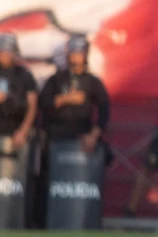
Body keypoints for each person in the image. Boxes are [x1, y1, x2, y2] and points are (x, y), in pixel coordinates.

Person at [35, 35, 110, 224]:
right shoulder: (56, 80)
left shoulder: (92, 82)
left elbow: (104, 109)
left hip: (81, 140)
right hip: (56, 139)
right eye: (73, 53)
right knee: (48, 183)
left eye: (79, 53)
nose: (75, 57)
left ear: (85, 55)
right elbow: (43, 104)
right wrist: (64, 99)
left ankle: (86, 220)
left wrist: (94, 135)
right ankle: (44, 222)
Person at [0, 32, 37, 153]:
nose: (4, 55)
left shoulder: (24, 75)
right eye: (2, 51)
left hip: (16, 134)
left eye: (8, 51)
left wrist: (23, 131)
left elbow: (32, 106)